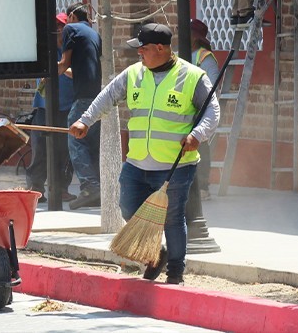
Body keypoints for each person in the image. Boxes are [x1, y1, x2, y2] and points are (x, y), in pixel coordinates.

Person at [69, 23, 220, 285]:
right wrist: (85, 120)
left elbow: (212, 111)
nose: (140, 53)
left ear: (160, 48)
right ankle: (155, 254)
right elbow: (107, 97)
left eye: (144, 49)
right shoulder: (133, 74)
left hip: (175, 164)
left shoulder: (193, 76)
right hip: (137, 164)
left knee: (173, 218)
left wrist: (198, 135)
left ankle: (175, 271)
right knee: (128, 208)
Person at [26, 13, 76, 203]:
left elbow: (74, 72)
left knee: (65, 151)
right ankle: (36, 189)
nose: (58, 30)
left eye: (61, 26)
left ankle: (62, 188)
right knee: (40, 150)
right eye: (54, 26)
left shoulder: (70, 50)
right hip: (43, 107)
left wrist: (63, 68)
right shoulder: (43, 50)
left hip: (67, 107)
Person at [57, 3, 102, 209]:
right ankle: (97, 189)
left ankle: (90, 187)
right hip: (96, 97)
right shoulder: (94, 34)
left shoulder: (71, 29)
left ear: (72, 16)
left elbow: (64, 63)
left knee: (75, 138)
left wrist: (47, 71)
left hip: (82, 98)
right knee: (91, 143)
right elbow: (79, 70)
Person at [190, 19, 220, 200]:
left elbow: (213, 84)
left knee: (200, 148)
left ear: (194, 36)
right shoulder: (179, 54)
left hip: (199, 109)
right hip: (182, 108)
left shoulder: (205, 57)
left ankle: (202, 187)